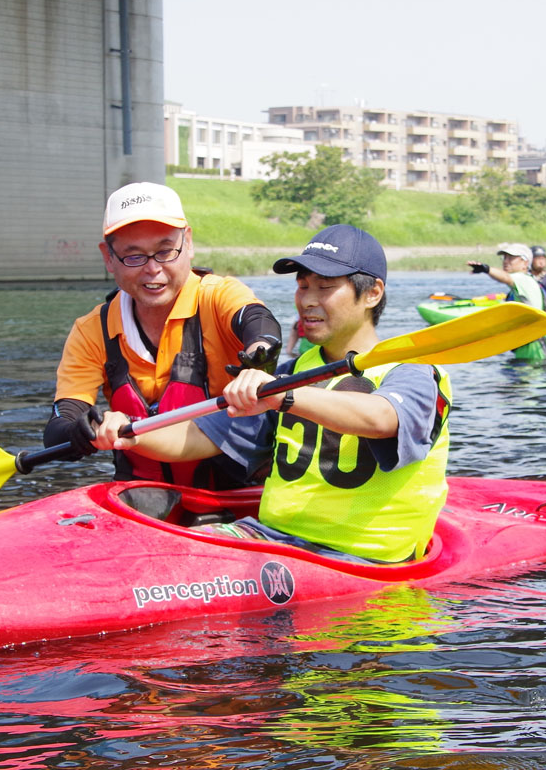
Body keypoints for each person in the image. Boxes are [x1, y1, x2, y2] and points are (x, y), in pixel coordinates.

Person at [94, 225, 452, 564]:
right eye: (302, 286)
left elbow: (382, 418)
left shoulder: (413, 371)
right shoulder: (292, 373)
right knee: (163, 553)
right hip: (271, 538)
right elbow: (198, 437)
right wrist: (130, 433)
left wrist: (286, 397)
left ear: (372, 293)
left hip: (359, 557)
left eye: (324, 288)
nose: (307, 301)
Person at [45, 181, 282, 489]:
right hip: (144, 498)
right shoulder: (92, 330)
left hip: (236, 495)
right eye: (134, 256)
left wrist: (258, 358)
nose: (153, 269)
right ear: (108, 257)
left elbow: (258, 322)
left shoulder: (216, 296)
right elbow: (59, 426)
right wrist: (88, 428)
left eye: (165, 251)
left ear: (189, 243)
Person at [467, 243, 546, 362]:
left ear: (525, 263)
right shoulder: (524, 282)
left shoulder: (523, 279)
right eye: (504, 258)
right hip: (529, 350)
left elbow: (506, 278)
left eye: (511, 258)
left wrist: (486, 269)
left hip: (536, 353)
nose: (506, 261)